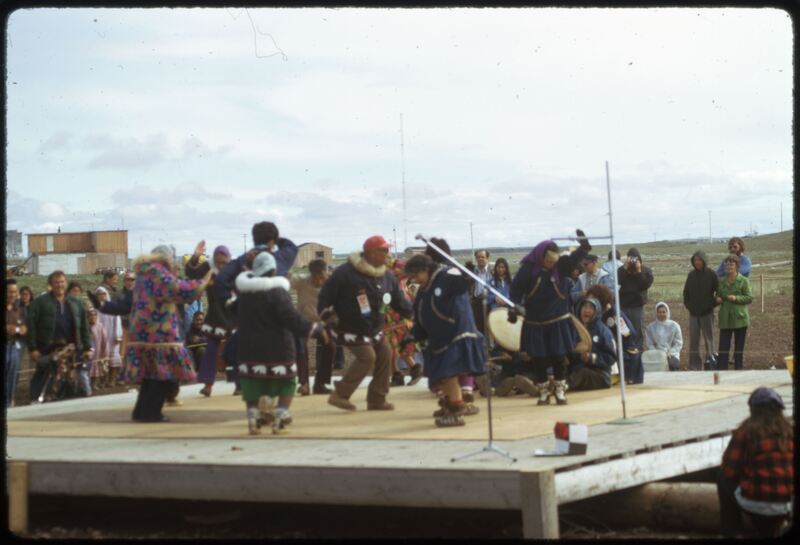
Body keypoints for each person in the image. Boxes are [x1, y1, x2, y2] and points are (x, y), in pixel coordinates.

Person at [235, 252, 327, 434]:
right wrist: (315, 329)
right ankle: (279, 418)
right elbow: (291, 318)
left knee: (252, 382)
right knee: (286, 382)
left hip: (248, 348)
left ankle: (253, 419)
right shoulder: (278, 293)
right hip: (278, 349)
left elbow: (232, 311)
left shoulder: (244, 295)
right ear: (273, 270)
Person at [320, 235, 412, 412]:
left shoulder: (386, 276)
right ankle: (340, 394)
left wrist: (412, 314)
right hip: (348, 327)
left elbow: (397, 300)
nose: (388, 254)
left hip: (374, 328)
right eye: (384, 250)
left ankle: (377, 399)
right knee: (367, 356)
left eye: (388, 250)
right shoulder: (345, 273)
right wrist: (327, 316)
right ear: (370, 253)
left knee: (385, 352)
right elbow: (325, 296)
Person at [126, 244, 211, 422]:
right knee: (163, 374)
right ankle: (152, 412)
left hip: (143, 332)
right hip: (159, 333)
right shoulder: (159, 273)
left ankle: (141, 411)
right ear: (166, 258)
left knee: (150, 375)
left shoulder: (144, 273)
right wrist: (204, 281)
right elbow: (181, 290)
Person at [215, 222, 298, 396]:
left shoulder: (243, 260)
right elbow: (291, 246)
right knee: (285, 359)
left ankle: (257, 397)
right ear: (272, 240)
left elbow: (222, 279)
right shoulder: (281, 256)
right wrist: (273, 240)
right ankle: (279, 402)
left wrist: (229, 305)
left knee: (253, 358)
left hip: (251, 316)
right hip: (279, 314)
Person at [509, 230, 590, 405]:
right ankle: (544, 391)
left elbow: (575, 258)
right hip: (535, 322)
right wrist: (515, 305)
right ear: (540, 256)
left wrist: (584, 246)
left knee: (559, 357)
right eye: (548, 261)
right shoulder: (528, 270)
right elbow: (515, 290)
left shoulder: (561, 266)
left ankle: (560, 390)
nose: (551, 264)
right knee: (539, 359)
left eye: (553, 261)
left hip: (557, 321)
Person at [404, 254, 487, 427]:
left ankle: (457, 413)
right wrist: (414, 335)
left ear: (426, 269)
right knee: (441, 378)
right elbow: (420, 315)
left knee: (449, 376)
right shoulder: (424, 290)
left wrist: (466, 276)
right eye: (412, 277)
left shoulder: (447, 275)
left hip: (456, 334)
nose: (415, 281)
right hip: (438, 339)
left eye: (416, 275)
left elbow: (460, 286)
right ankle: (449, 406)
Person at [717, 387, 793, 538]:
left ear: (752, 409)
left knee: (722, 478)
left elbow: (729, 470)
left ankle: (730, 532)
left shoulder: (746, 431)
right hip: (786, 505)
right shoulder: (789, 431)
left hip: (755, 505)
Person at [25, 271, 91, 402]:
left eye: (62, 282)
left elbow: (84, 327)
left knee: (69, 380)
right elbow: (31, 326)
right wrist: (32, 348)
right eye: (56, 282)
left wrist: (87, 347)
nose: (59, 285)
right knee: (43, 376)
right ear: (50, 284)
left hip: (71, 349)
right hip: (47, 348)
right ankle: (35, 403)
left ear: (66, 283)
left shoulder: (76, 303)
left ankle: (65, 406)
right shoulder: (40, 302)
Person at [184, 242, 233, 397]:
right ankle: (207, 385)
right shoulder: (208, 267)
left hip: (233, 315)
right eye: (218, 261)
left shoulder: (234, 269)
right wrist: (196, 256)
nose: (221, 265)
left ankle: (239, 383)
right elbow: (191, 273)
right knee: (210, 351)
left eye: (223, 262)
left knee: (236, 350)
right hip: (214, 316)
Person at [289, 258, 337, 395]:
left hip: (323, 321)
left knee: (331, 345)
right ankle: (304, 383)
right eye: (316, 277)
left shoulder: (332, 285)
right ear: (311, 274)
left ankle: (321, 383)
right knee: (300, 345)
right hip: (304, 321)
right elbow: (287, 277)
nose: (319, 281)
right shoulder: (302, 281)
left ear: (326, 273)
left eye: (322, 277)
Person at [587, 283, 641, 383]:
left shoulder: (614, 314)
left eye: (594, 299)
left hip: (626, 361)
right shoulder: (599, 314)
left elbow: (628, 335)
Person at [384, 256, 422, 388]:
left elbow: (407, 270)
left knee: (395, 343)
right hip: (387, 310)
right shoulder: (376, 269)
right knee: (392, 344)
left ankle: (410, 369)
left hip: (397, 309)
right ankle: (401, 373)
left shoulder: (395, 265)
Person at [566, 296, 616, 391]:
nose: (587, 310)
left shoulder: (603, 331)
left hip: (600, 375)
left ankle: (561, 387)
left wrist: (591, 358)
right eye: (584, 307)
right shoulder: (574, 330)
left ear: (596, 311)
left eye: (591, 308)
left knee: (583, 373)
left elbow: (611, 358)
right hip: (576, 370)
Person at [682, 250, 720, 370]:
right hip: (693, 314)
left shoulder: (711, 274)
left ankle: (711, 363)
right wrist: (688, 305)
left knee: (709, 339)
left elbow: (719, 291)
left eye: (699, 260)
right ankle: (694, 366)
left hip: (707, 313)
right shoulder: (691, 275)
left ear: (704, 260)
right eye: (695, 260)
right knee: (694, 341)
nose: (697, 262)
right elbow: (686, 292)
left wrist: (712, 304)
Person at [715, 255, 752, 370]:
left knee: (738, 349)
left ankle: (738, 370)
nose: (728, 266)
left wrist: (736, 298)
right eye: (726, 264)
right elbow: (718, 295)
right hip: (725, 318)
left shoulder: (744, 281)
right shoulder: (720, 281)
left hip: (740, 318)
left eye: (731, 264)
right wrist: (717, 299)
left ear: (737, 266)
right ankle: (722, 371)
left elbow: (749, 297)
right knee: (723, 347)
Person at [616, 248, 654, 352]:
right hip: (623, 305)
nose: (632, 261)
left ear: (639, 259)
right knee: (623, 330)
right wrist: (626, 269)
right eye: (630, 259)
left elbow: (644, 285)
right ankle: (624, 351)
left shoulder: (646, 271)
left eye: (634, 259)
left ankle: (638, 351)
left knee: (638, 330)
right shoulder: (621, 270)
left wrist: (638, 271)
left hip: (637, 306)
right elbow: (617, 281)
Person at [94, 286, 123, 387]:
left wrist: (117, 335)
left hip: (112, 336)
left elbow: (117, 321)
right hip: (100, 338)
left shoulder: (112, 307)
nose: (102, 296)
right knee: (101, 358)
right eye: (99, 294)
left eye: (104, 294)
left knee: (113, 357)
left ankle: (112, 379)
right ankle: (103, 380)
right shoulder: (95, 309)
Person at [6, 279, 28, 408]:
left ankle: (10, 403)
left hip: (14, 347)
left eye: (14, 291)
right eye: (9, 291)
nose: (12, 294)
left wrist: (17, 329)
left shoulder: (19, 309)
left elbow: (24, 328)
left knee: (12, 377)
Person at [645, 301, 684, 371]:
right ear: (656, 313)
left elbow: (678, 343)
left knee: (673, 365)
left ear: (667, 312)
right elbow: (649, 343)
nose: (662, 314)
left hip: (671, 354)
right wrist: (656, 353)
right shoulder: (651, 327)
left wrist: (670, 352)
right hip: (656, 354)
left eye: (664, 312)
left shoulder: (674, 326)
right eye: (659, 312)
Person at [469, 249, 493, 335]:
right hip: (476, 303)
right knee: (478, 327)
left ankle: (490, 346)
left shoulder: (493, 271)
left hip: (490, 302)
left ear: (487, 258)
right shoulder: (472, 272)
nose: (480, 259)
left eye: (483, 257)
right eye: (478, 257)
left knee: (490, 326)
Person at [87, 306, 109, 391]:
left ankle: (95, 384)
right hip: (89, 351)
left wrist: (105, 353)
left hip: (98, 351)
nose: (93, 317)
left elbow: (105, 340)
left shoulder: (100, 326)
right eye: (90, 315)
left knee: (97, 367)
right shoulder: (85, 327)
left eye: (94, 315)